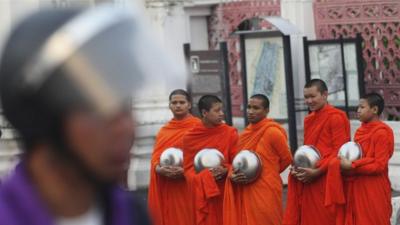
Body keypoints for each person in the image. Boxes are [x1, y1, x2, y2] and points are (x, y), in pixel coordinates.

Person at [0, 6, 152, 225]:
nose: (126, 128)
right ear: (42, 117)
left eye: (125, 109)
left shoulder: (132, 215)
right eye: (101, 110)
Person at [283, 79, 351, 225]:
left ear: (325, 95)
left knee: (326, 218)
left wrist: (317, 171)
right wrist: (298, 167)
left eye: (313, 96)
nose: (309, 101)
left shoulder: (336, 117)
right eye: (306, 97)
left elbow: (340, 152)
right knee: (309, 218)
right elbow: (308, 150)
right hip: (309, 176)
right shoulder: (309, 120)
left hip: (327, 177)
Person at [325, 93, 394, 225]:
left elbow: (379, 165)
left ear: (374, 110)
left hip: (374, 188)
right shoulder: (360, 131)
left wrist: (352, 166)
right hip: (357, 186)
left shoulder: (381, 133)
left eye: (362, 107)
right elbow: (357, 156)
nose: (358, 110)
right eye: (358, 107)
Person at [223, 94, 292, 225]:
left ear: (266, 111)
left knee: (267, 219)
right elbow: (238, 161)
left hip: (267, 187)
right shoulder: (245, 134)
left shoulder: (273, 132)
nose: (251, 111)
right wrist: (233, 174)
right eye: (249, 107)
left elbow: (287, 159)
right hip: (246, 186)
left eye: (256, 108)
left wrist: (268, 172)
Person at [182, 95, 238, 225]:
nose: (222, 114)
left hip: (226, 191)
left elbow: (236, 163)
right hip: (204, 195)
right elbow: (188, 170)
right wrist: (205, 177)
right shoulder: (190, 138)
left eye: (222, 110)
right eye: (217, 111)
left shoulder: (230, 133)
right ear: (204, 113)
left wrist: (225, 170)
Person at [147, 89, 200, 225]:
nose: (178, 105)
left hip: (191, 186)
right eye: (174, 102)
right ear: (169, 105)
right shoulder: (164, 131)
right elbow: (155, 157)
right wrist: (159, 169)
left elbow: (204, 157)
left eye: (182, 102)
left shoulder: (199, 127)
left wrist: (186, 171)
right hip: (169, 187)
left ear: (189, 105)